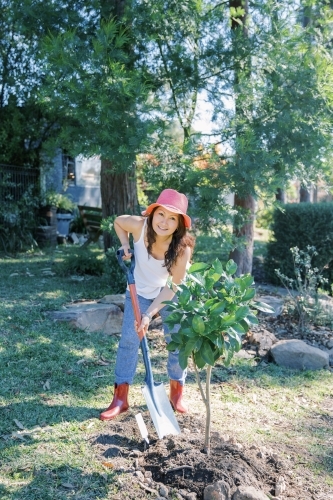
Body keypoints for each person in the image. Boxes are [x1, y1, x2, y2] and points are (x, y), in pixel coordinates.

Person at [100, 189, 195, 421]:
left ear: (179, 224)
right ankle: (120, 399)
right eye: (161, 214)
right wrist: (125, 245)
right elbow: (118, 222)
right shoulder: (139, 226)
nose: (164, 222)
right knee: (129, 341)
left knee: (177, 340)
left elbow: (172, 286)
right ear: (152, 214)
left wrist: (150, 314)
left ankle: (176, 394)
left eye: (172, 218)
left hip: (170, 294)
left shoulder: (182, 249)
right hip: (139, 290)